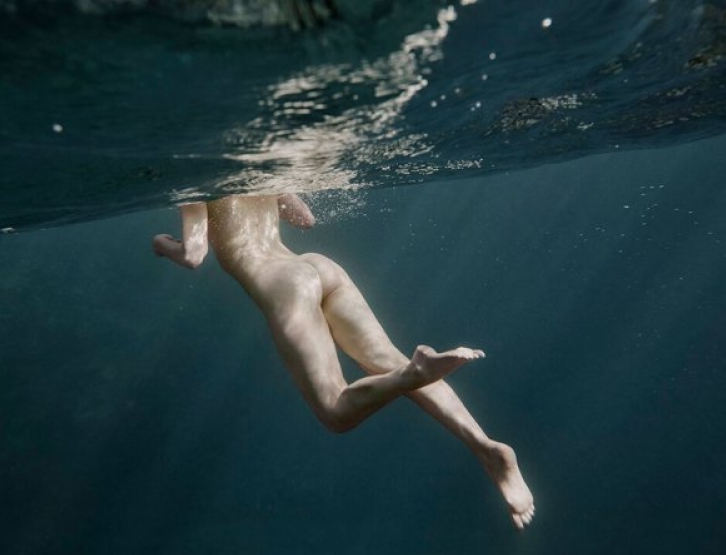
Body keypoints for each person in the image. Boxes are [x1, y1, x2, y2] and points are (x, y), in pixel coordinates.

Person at [153, 193, 535, 529]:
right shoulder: (259, 164)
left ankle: (413, 374)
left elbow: (193, 254)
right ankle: (486, 447)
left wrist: (161, 244)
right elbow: (305, 219)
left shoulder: (197, 182)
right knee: (385, 358)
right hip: (319, 265)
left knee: (336, 412)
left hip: (283, 284)